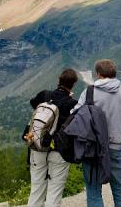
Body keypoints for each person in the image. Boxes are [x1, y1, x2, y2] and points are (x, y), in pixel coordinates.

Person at [73, 60, 121, 207]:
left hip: (92, 149)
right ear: (114, 73)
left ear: (98, 74)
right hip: (116, 146)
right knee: (120, 189)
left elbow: (76, 117)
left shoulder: (89, 92)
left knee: (93, 190)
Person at [28, 69, 79, 207]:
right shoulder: (72, 104)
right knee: (54, 191)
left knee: (36, 189)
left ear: (59, 80)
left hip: (37, 147)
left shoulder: (44, 95)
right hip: (59, 151)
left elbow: (33, 103)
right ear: (73, 84)